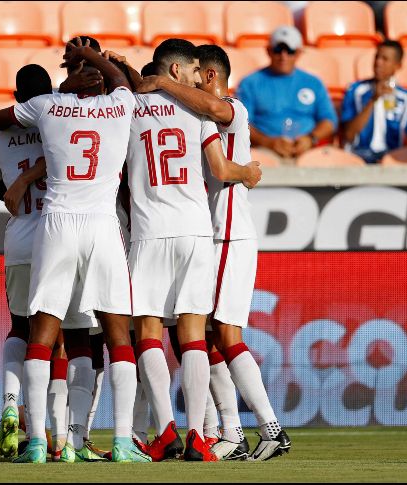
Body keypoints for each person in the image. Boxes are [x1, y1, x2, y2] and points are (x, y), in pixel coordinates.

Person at [0, 38, 150, 464]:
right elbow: (121, 82)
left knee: (40, 333)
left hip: (56, 223)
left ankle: (38, 442)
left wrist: (65, 82)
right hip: (101, 224)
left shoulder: (45, 107)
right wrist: (97, 59)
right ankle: (122, 440)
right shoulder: (120, 105)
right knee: (117, 336)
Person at [135, 44, 291, 461]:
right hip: (208, 234)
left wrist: (162, 83)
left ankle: (270, 428)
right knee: (207, 337)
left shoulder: (230, 109)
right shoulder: (190, 114)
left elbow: (221, 160)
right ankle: (233, 432)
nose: (188, 80)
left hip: (226, 234)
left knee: (223, 334)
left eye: (194, 74)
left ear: (207, 76)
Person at [0, 64, 52, 460]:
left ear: (15, 98)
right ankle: (45, 433)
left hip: (20, 237)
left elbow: (0, 191)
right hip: (59, 235)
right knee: (55, 340)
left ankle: (11, 404)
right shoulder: (60, 124)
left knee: (20, 327)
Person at [237, 25, 337, 159]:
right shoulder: (250, 83)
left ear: (299, 53)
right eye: (278, 50)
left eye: (289, 51)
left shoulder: (313, 83)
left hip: (307, 150)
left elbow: (329, 121)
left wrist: (310, 139)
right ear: (269, 51)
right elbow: (241, 123)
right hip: (265, 151)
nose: (283, 56)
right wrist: (268, 143)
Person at [341, 40, 407, 163]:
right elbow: (348, 134)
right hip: (359, 157)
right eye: (377, 57)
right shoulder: (355, 91)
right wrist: (373, 100)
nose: (378, 62)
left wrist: (405, 157)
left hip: (392, 159)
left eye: (385, 59)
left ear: (397, 65)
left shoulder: (406, 98)